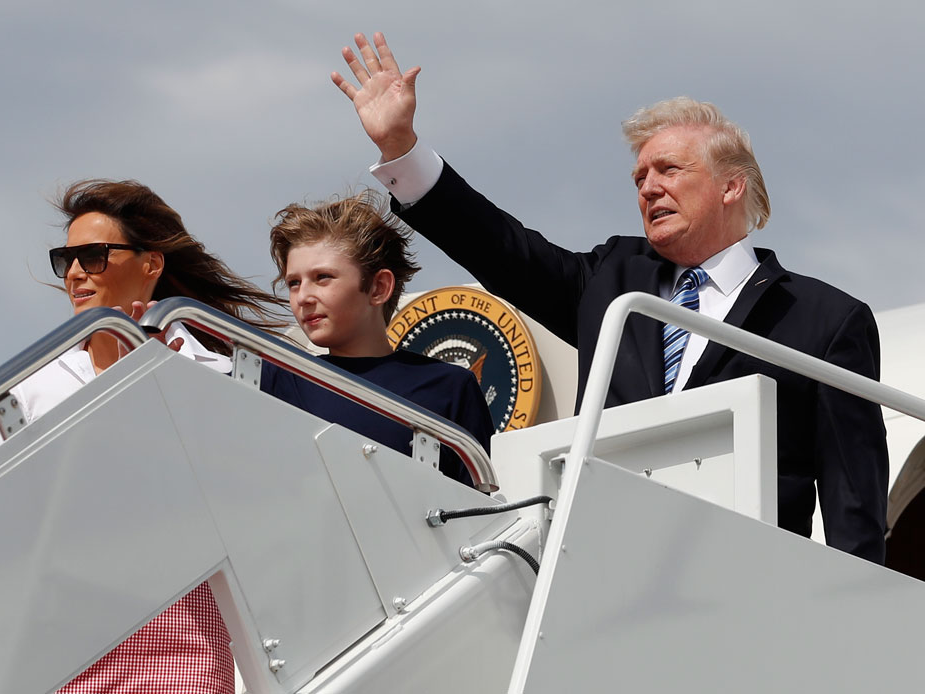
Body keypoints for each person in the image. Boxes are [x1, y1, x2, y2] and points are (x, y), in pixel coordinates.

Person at [330, 33, 888, 562]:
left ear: (731, 185)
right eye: (639, 177)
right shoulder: (612, 280)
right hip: (603, 573)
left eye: (669, 169)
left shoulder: (825, 321)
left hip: (747, 587)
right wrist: (402, 149)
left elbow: (855, 509)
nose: (647, 187)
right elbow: (501, 248)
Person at [0, 179, 283, 693]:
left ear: (151, 265)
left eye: (95, 255)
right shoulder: (30, 389)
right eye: (67, 259)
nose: (76, 272)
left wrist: (146, 395)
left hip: (184, 625)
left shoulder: (219, 375)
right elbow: (4, 521)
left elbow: (240, 506)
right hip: (65, 633)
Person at [260, 190, 493, 488]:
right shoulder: (275, 380)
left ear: (379, 287)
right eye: (294, 283)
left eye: (323, 277)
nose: (303, 297)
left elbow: (481, 515)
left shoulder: (450, 388)